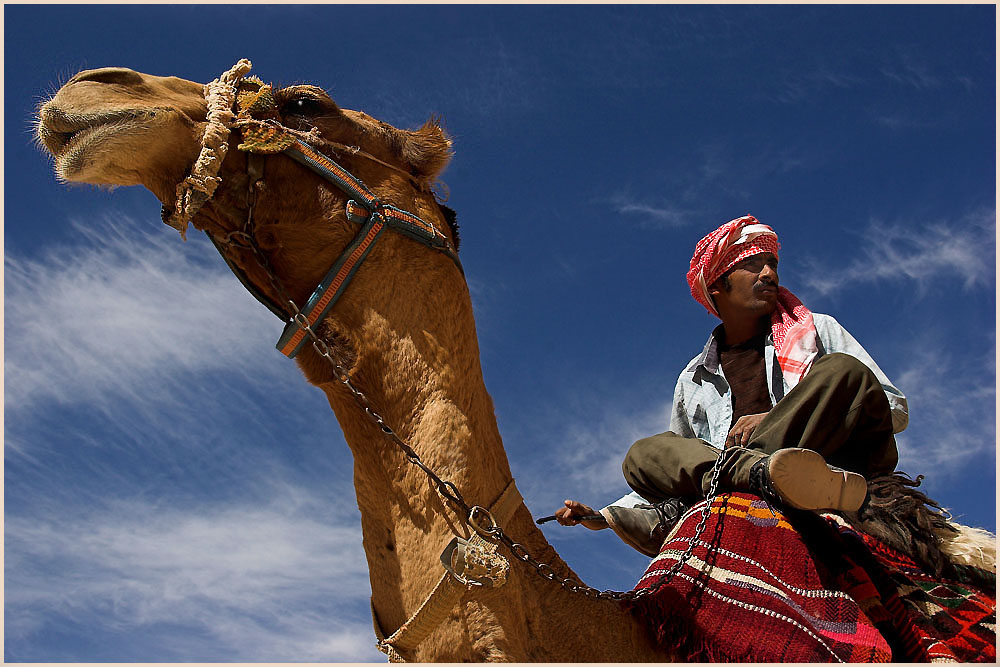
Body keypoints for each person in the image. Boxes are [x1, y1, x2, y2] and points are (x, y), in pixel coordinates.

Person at [554, 215, 908, 557]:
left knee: (842, 370)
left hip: (834, 461)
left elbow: (893, 408)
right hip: (741, 477)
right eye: (753, 264)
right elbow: (685, 466)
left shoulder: (817, 330)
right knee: (643, 455)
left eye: (772, 264)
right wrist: (606, 516)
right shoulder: (694, 379)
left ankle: (770, 473)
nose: (770, 274)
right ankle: (760, 475)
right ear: (717, 285)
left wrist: (775, 418)